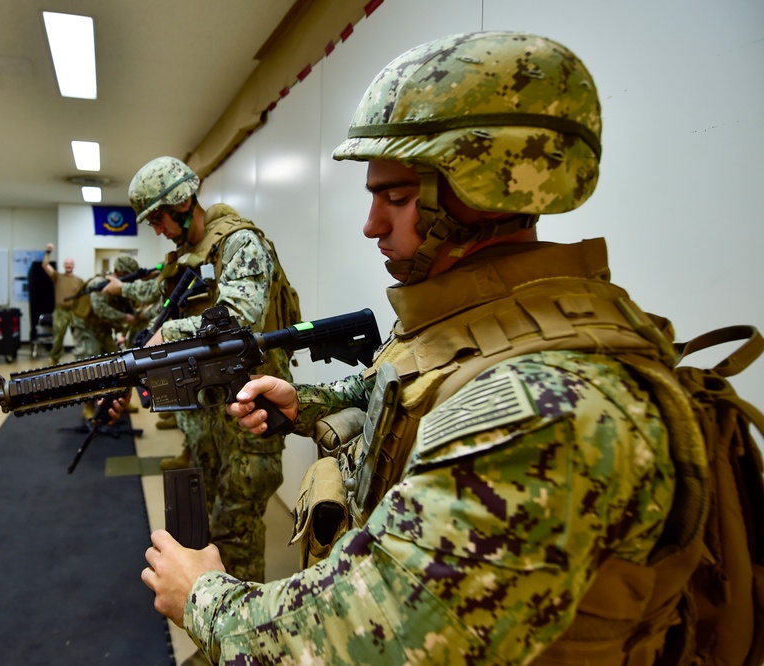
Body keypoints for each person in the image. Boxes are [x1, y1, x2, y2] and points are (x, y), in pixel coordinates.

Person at [141, 32, 709, 664]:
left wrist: (201, 597)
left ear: (484, 191)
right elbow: (403, 385)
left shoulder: (543, 407)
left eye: (398, 197)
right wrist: (304, 401)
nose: (371, 224)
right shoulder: (484, 313)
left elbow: (372, 635)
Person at [105, 155, 299, 584]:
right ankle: (209, 608)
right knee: (204, 520)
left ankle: (242, 637)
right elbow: (152, 302)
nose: (155, 228)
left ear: (181, 202)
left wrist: (169, 335)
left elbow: (241, 317)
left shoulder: (240, 242)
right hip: (207, 416)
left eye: (157, 217)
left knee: (236, 529)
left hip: (250, 407)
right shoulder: (186, 258)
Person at [41, 243, 83, 365]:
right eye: (66, 264)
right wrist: (48, 252)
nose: (68, 265)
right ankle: (54, 359)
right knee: (58, 337)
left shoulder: (79, 280)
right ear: (64, 266)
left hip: (75, 312)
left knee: (79, 337)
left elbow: (83, 298)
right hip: (60, 312)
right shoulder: (57, 276)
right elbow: (45, 265)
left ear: (73, 266)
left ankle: (81, 359)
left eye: (70, 264)